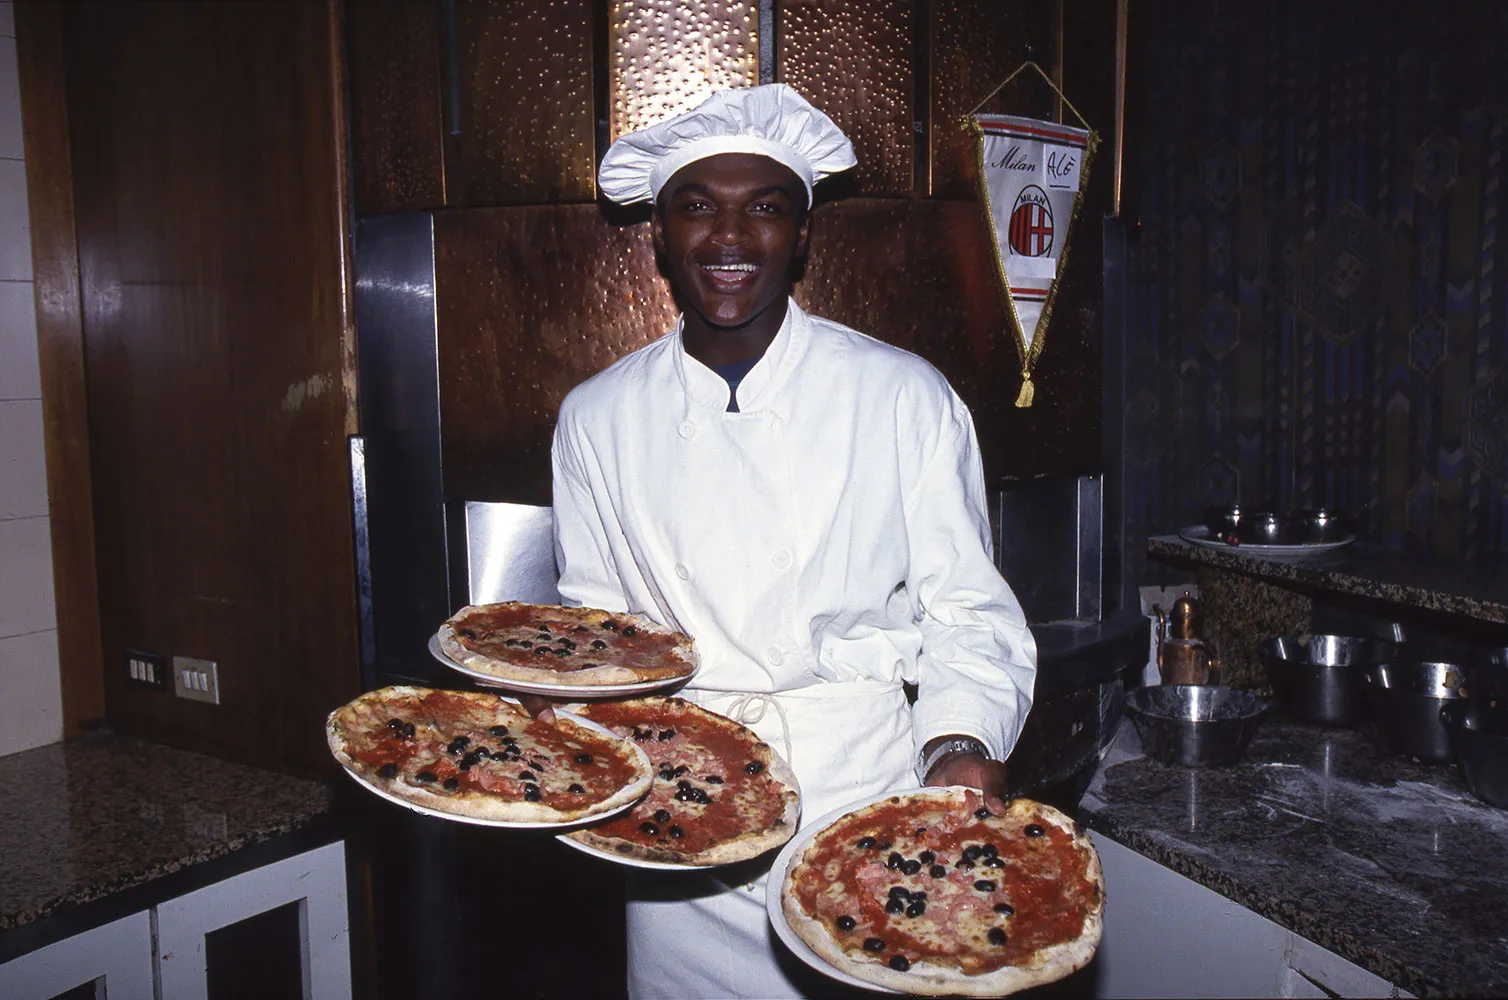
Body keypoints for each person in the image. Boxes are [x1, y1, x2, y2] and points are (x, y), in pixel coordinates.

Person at [549, 84, 1038, 1000]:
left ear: (803, 234)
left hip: (862, 795)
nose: (729, 238)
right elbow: (601, 639)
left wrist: (959, 741)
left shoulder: (901, 395)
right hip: (679, 811)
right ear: (659, 233)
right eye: (698, 207)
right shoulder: (596, 416)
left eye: (765, 208)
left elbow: (968, 609)